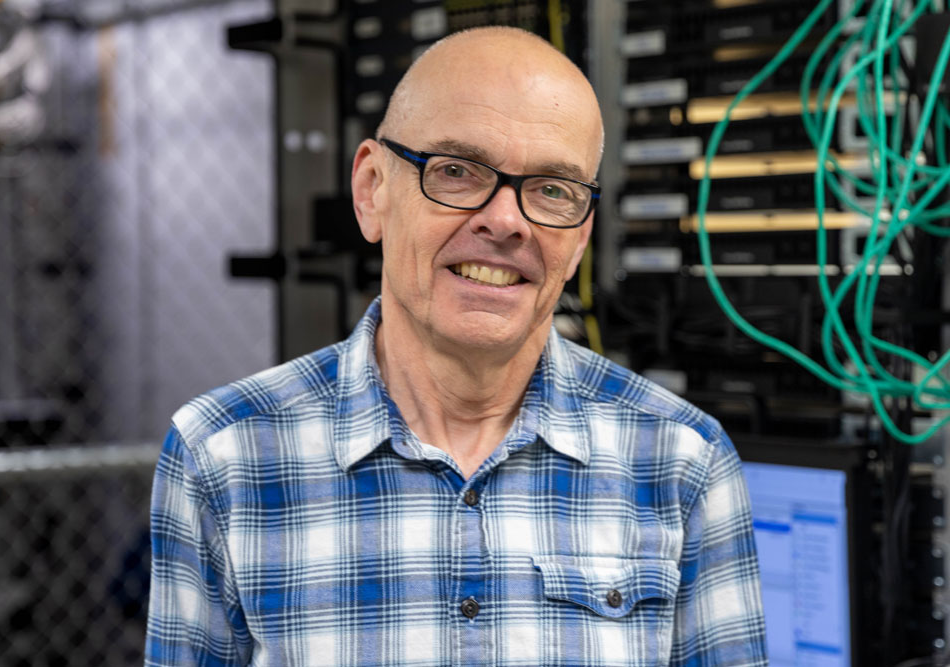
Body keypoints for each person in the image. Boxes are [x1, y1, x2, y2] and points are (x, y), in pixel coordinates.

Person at [145, 26, 767, 666]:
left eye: (554, 188)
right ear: (373, 191)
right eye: (458, 171)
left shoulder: (683, 463)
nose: (505, 221)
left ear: (579, 238)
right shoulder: (221, 458)